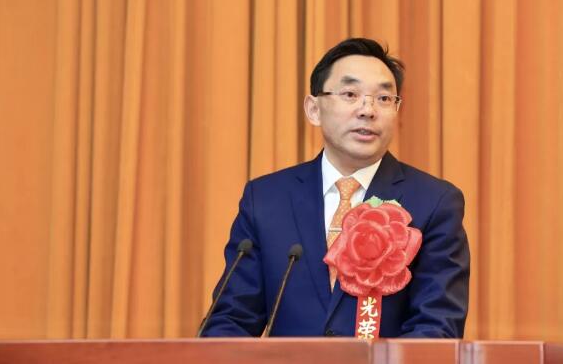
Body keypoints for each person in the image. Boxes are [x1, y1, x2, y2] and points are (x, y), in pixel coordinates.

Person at [201, 38, 469, 338]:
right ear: (314, 109)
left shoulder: (434, 202)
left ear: (397, 111)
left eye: (384, 98)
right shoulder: (266, 199)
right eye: (350, 94)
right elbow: (231, 320)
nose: (367, 110)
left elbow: (436, 329)